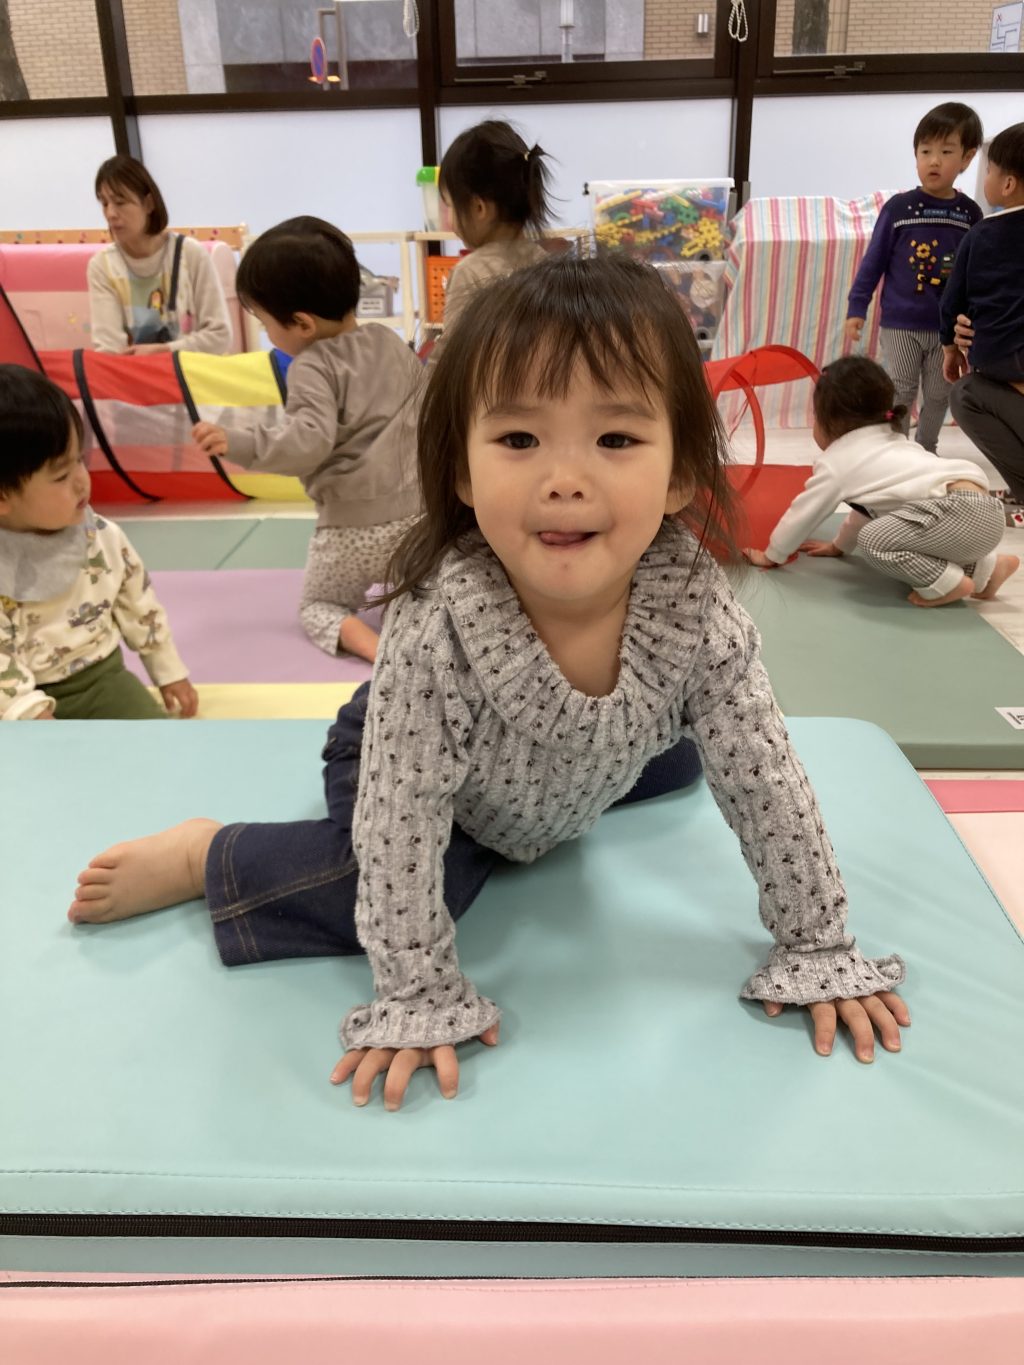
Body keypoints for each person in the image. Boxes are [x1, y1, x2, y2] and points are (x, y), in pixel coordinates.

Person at [69, 257, 909, 1111]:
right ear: (463, 472)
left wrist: (817, 941)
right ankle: (207, 852)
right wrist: (417, 991)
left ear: (682, 473)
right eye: (519, 440)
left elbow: (766, 780)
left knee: (698, 756)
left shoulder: (696, 608)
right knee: (388, 880)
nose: (564, 478)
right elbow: (402, 818)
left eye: (616, 440)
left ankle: (591, 774)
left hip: (573, 769)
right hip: (432, 773)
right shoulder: (436, 627)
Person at [192, 217, 422, 664]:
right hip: (418, 521)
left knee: (319, 607)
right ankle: (414, 618)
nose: (267, 334)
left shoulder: (312, 366)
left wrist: (238, 443)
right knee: (419, 590)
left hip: (352, 531)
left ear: (301, 324)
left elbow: (306, 444)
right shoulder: (389, 341)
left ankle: (378, 652)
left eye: (265, 323)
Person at [0, 365, 198, 720]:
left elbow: (138, 604)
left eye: (79, 460)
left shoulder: (101, 536)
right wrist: (29, 713)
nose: (81, 480)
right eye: (61, 475)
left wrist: (168, 670)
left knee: (158, 742)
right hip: (16, 701)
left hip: (102, 681)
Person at [745, 356, 1016, 607]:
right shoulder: (891, 440)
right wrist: (839, 546)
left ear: (831, 421)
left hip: (956, 511)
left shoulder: (838, 461)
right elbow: (868, 510)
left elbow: (805, 511)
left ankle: (945, 585)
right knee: (898, 530)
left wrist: (773, 554)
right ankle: (989, 570)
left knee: (874, 540)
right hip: (985, 511)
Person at [844, 102, 983, 453]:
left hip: (946, 330)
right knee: (900, 390)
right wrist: (857, 307)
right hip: (900, 323)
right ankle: (897, 450)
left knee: (939, 393)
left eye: (946, 152)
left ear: (967, 158)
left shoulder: (970, 214)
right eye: (925, 151)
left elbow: (977, 272)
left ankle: (926, 448)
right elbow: (873, 262)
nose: (934, 160)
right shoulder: (899, 209)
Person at [429, 120, 553, 365]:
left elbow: (452, 353)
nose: (450, 220)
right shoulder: (545, 262)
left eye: (451, 206)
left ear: (479, 208)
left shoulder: (470, 271)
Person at [88, 155, 232, 356]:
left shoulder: (191, 254)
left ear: (148, 203)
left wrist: (165, 351)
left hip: (189, 372)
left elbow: (220, 336)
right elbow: (108, 349)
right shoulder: (102, 266)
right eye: (104, 204)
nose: (110, 213)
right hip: (134, 373)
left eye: (120, 202)